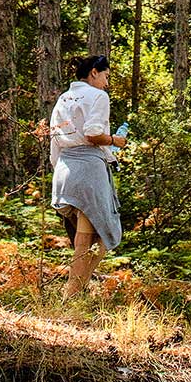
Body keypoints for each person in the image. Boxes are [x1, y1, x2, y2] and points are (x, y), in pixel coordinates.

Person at [49, 53, 127, 297]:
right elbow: (93, 133)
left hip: (64, 171)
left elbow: (54, 142)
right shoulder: (98, 96)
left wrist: (60, 172)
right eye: (106, 76)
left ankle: (76, 291)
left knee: (91, 236)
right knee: (96, 237)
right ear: (94, 72)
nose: (106, 83)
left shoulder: (63, 98)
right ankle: (71, 295)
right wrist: (115, 140)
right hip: (89, 172)